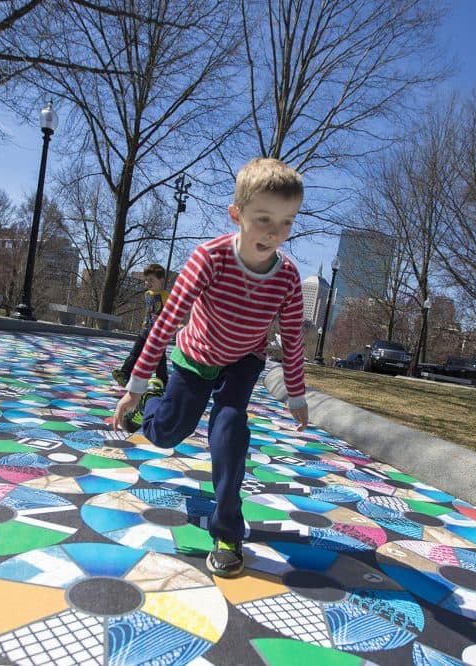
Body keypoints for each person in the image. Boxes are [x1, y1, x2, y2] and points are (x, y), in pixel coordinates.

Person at [113, 157, 309, 578]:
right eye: (263, 219)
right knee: (167, 434)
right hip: (196, 356)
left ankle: (227, 532)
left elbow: (292, 340)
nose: (275, 233)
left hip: (243, 362)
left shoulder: (288, 279)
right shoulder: (210, 258)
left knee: (230, 431)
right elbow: (166, 322)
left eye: (287, 222)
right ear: (236, 215)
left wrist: (297, 394)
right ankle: (152, 406)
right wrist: (136, 384)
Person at [112, 263, 170, 387]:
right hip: (145, 331)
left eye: (151, 280)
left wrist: (161, 317)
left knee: (160, 360)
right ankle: (124, 374)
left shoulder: (165, 296)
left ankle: (163, 382)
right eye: (146, 280)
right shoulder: (147, 294)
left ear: (161, 280)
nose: (147, 283)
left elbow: (171, 314)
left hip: (158, 335)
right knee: (134, 353)